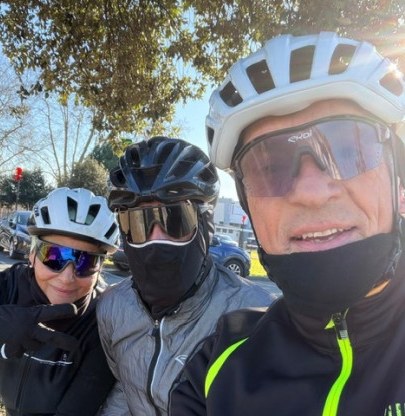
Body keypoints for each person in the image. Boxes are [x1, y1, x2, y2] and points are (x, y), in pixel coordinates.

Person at [170, 31, 405, 415]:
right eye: (270, 168)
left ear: (399, 183)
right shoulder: (215, 369)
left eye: (350, 150)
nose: (311, 192)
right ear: (248, 207)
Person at [96, 136, 275, 415]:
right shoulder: (111, 307)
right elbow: (125, 388)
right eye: (138, 223)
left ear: (206, 224)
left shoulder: (257, 316)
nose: (155, 239)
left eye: (175, 219)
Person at [0, 187, 120, 415]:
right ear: (32, 255)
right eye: (54, 256)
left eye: (86, 262)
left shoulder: (101, 323)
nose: (67, 277)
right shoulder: (7, 285)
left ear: (99, 268)